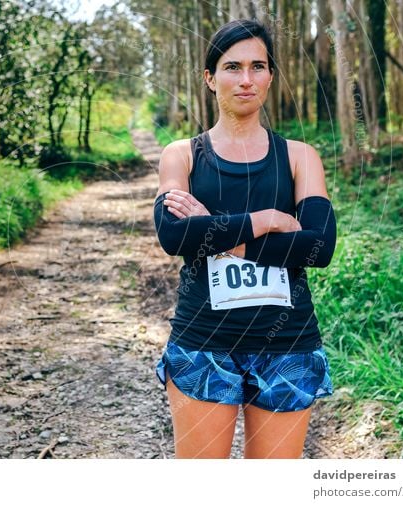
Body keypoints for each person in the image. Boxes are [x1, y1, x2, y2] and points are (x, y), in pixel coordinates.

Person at [153, 19, 337, 459]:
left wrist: (217, 233)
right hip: (204, 343)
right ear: (210, 78)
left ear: (271, 76)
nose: (247, 79)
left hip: (287, 344)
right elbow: (174, 233)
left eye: (258, 66)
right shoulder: (182, 155)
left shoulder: (299, 157)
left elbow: (318, 247)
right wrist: (265, 219)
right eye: (233, 67)